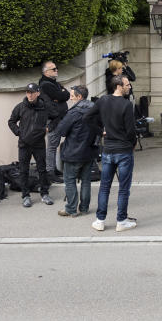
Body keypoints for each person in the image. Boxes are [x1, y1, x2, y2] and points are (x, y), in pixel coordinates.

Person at [90, 75, 138, 232]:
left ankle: (100, 220)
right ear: (118, 86)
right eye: (126, 84)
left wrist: (100, 131)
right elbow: (131, 131)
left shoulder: (103, 101)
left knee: (105, 187)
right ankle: (121, 220)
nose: (129, 86)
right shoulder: (126, 105)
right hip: (123, 150)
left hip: (108, 149)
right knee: (124, 188)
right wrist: (132, 143)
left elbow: (86, 117)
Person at [50, 85, 97, 217]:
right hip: (89, 150)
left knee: (70, 180)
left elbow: (62, 131)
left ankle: (71, 209)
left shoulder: (74, 112)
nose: (70, 98)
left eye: (72, 96)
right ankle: (84, 207)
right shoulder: (95, 109)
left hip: (73, 152)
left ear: (79, 97)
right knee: (86, 181)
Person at [8, 83, 53, 208]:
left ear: (38, 93)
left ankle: (44, 194)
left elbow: (56, 117)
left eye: (32, 92)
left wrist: (49, 127)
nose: (30, 95)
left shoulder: (45, 107)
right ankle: (26, 196)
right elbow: (11, 121)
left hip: (39, 143)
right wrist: (19, 133)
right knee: (23, 170)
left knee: (42, 169)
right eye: (28, 92)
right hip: (24, 144)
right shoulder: (20, 107)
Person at [39, 60, 70, 183]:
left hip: (58, 118)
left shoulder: (53, 83)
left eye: (56, 68)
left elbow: (66, 94)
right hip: (53, 120)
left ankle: (53, 169)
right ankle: (49, 172)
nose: (57, 70)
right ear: (46, 72)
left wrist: (62, 94)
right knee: (52, 146)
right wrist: (61, 95)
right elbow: (62, 96)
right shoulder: (46, 84)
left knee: (54, 144)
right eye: (54, 69)